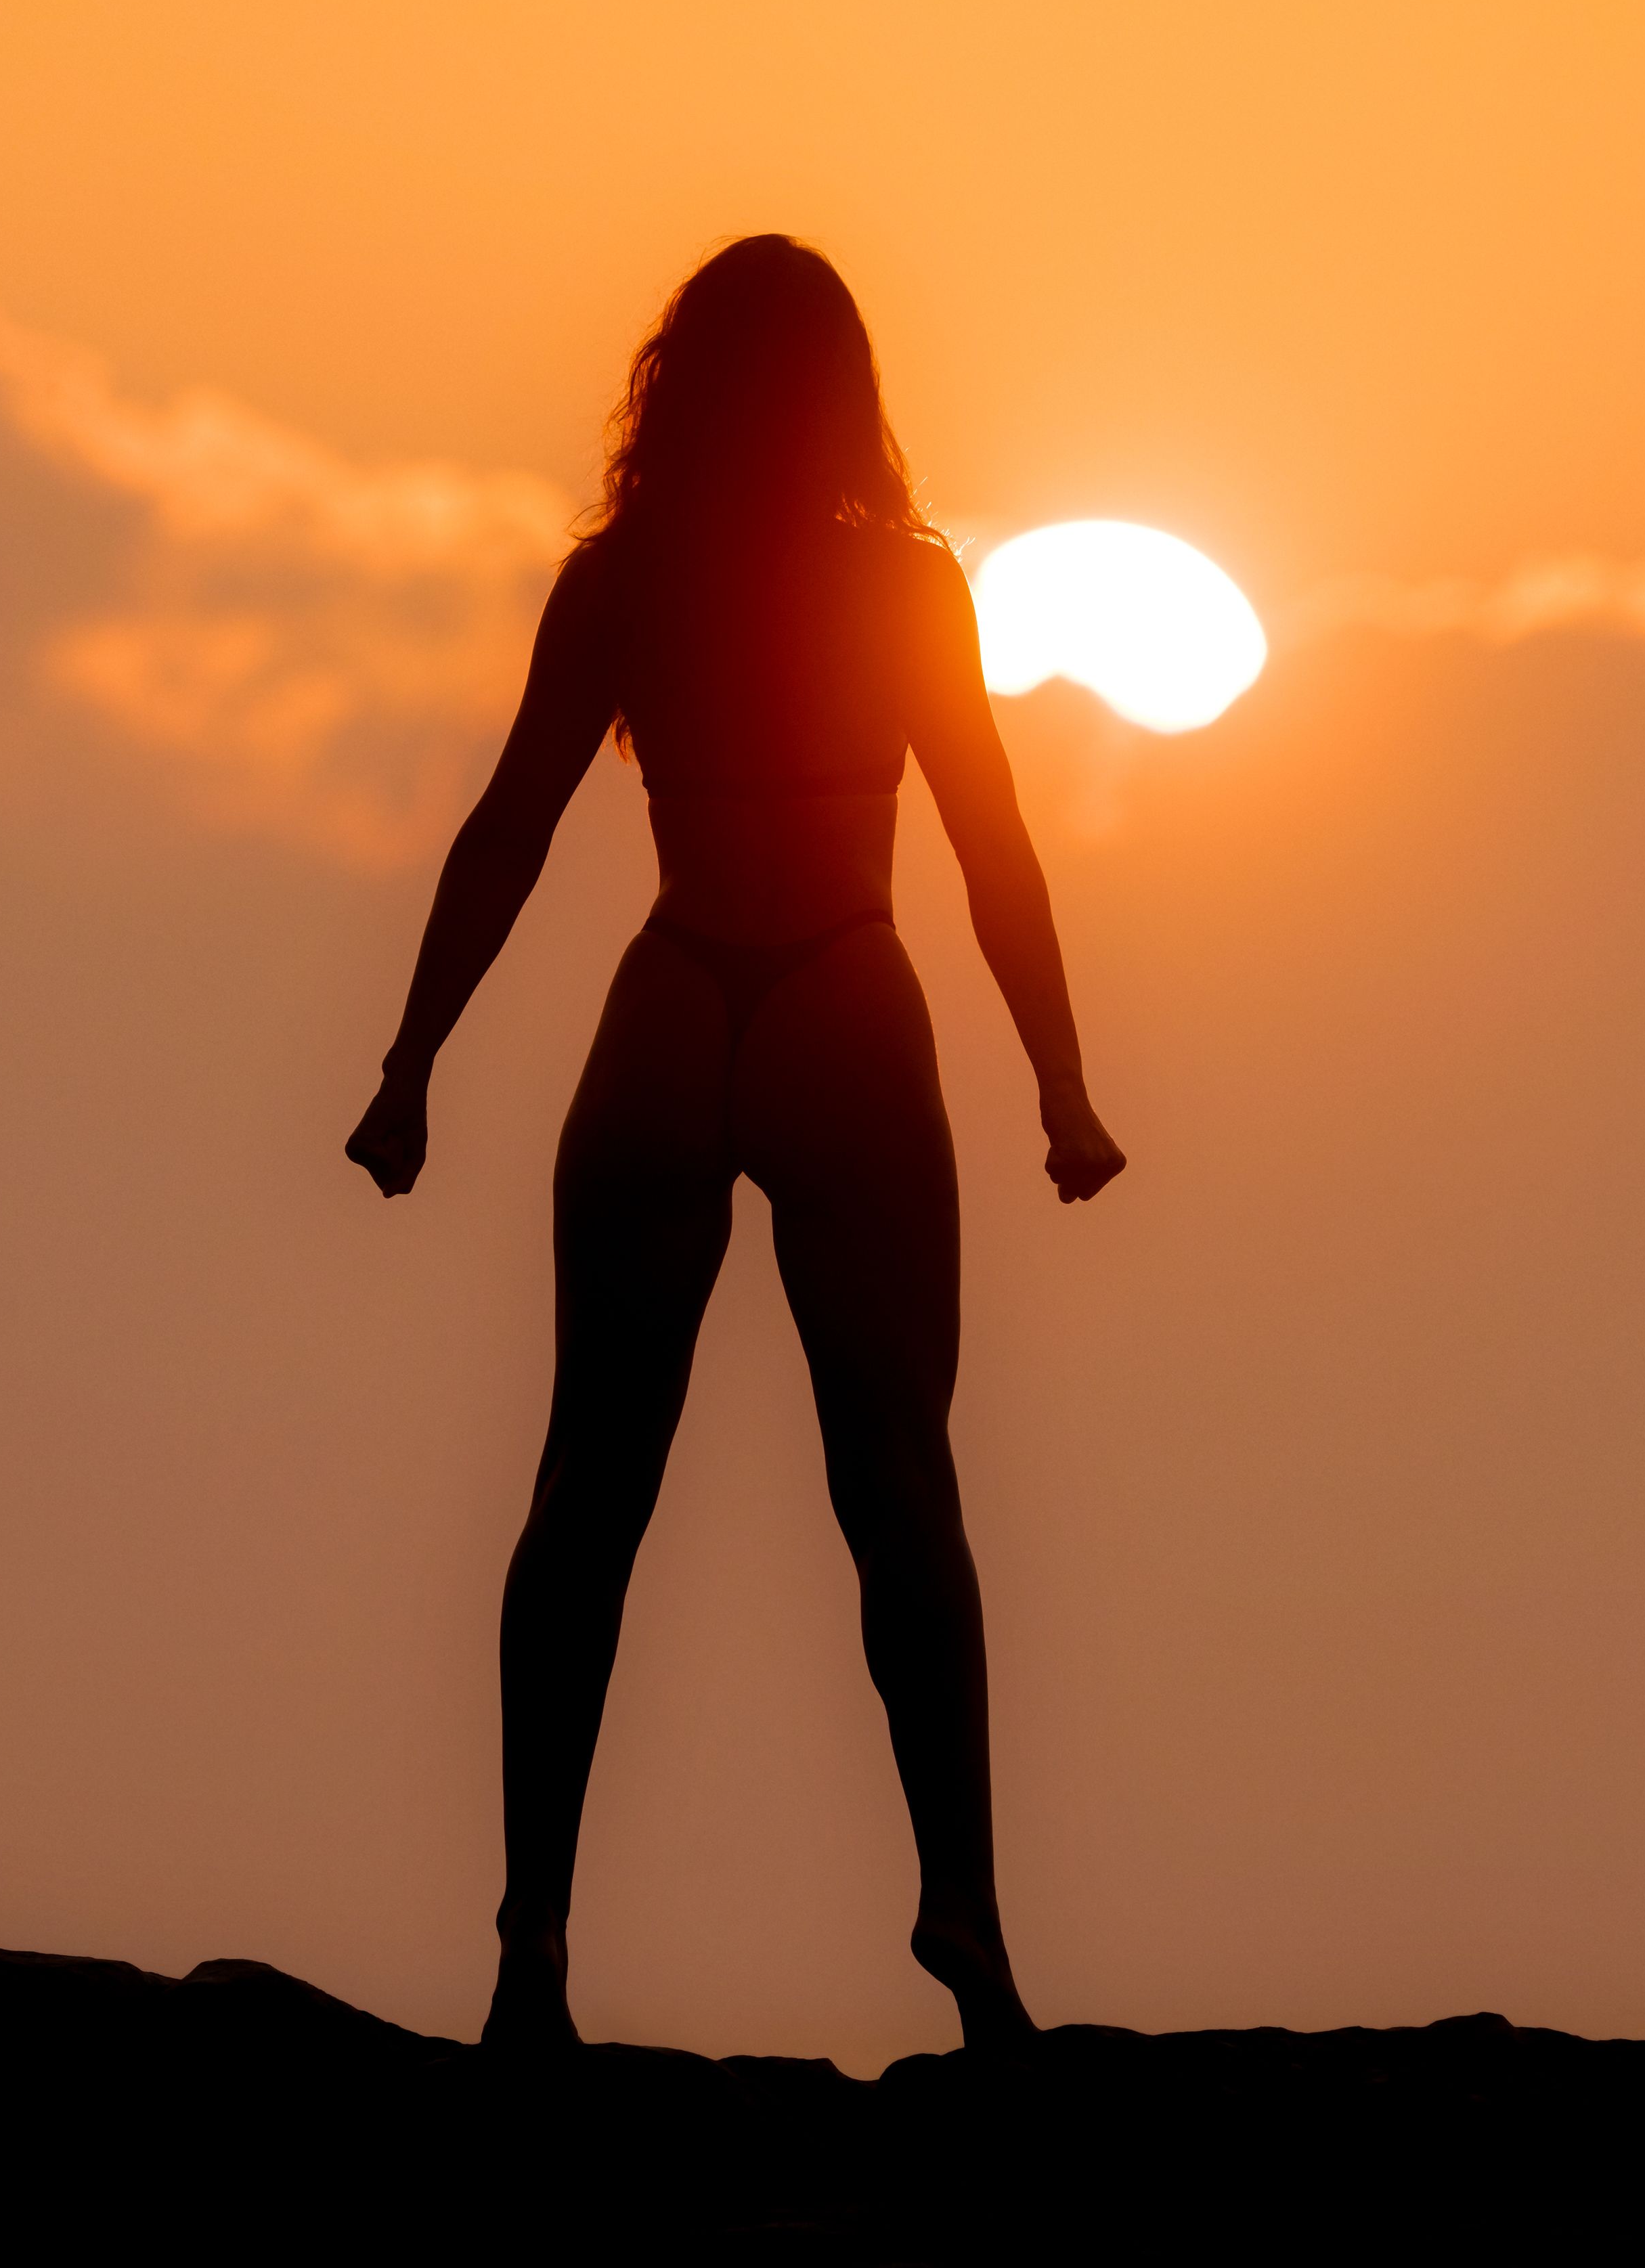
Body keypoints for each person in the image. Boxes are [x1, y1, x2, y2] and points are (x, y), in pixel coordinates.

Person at [345, 236, 1126, 2055]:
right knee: (900, 1492)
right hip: (846, 997)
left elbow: (513, 828)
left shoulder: (624, 583)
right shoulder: (912, 588)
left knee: (585, 1497)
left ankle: (531, 1938)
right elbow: (996, 845)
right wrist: (1061, 1088)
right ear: (846, 394)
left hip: (675, 999)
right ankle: (971, 1925)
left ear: (672, 390)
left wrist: (410, 1063)